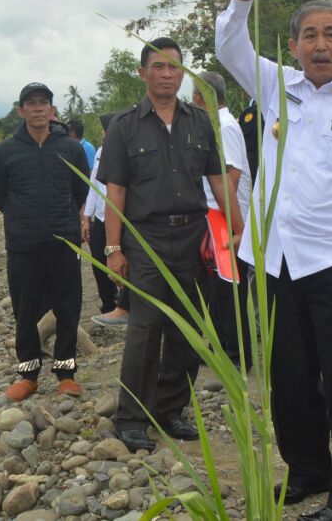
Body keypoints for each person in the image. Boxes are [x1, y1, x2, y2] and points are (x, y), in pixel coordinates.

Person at [216, 0, 332, 521]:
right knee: (287, 378)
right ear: (292, 46)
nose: (320, 44)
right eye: (309, 34)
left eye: (331, 34)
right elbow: (228, 46)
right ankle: (308, 471)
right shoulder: (275, 85)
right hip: (271, 259)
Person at [96, 37, 241, 453]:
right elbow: (115, 193)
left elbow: (218, 180)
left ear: (183, 73)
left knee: (189, 327)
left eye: (173, 68)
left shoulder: (200, 122)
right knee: (145, 329)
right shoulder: (125, 126)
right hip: (145, 239)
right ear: (143, 74)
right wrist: (113, 250)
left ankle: (169, 409)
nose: (165, 75)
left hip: (193, 236)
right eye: (157, 67)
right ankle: (132, 417)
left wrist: (239, 226)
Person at [0, 82, 91, 402]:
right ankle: (28, 373)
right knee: (25, 310)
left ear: (52, 109)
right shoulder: (5, 152)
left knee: (68, 308)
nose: (38, 108)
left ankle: (66, 372)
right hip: (23, 244)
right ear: (21, 110)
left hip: (64, 243)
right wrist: (24, 218)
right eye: (31, 103)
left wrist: (66, 221)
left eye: (43, 102)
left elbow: (80, 191)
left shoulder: (70, 148)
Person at [189, 70, 254, 372]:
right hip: (215, 214)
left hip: (223, 216)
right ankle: (220, 345)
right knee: (218, 286)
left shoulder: (225, 127)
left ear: (202, 97)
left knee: (230, 287)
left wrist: (232, 222)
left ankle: (237, 353)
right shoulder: (216, 125)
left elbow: (232, 174)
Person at [83, 111, 130, 327]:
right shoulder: (101, 151)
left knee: (127, 263)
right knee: (100, 263)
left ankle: (127, 305)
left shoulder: (128, 149)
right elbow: (94, 186)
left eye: (105, 130)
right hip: (101, 217)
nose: (103, 134)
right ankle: (108, 305)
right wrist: (86, 217)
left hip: (124, 217)